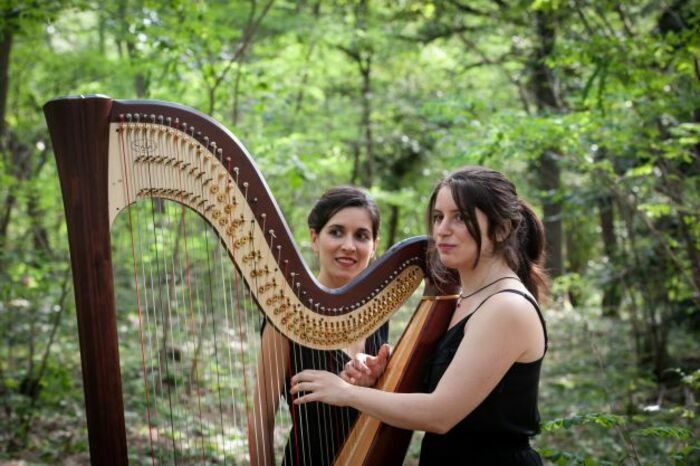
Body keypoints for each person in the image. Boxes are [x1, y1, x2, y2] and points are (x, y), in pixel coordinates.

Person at [290, 166, 549, 465]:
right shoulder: (463, 300)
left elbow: (440, 414)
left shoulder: (506, 308)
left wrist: (345, 393)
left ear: (502, 229)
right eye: (439, 217)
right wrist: (376, 378)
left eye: (460, 217)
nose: (442, 230)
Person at [249, 186, 391, 466]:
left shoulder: (379, 312)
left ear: (374, 245)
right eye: (336, 232)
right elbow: (260, 419)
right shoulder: (286, 317)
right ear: (315, 238)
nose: (349, 246)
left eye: (361, 236)